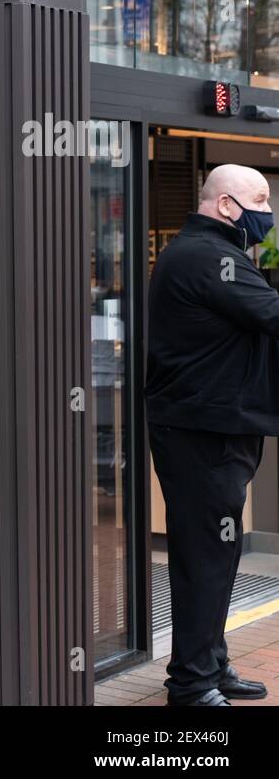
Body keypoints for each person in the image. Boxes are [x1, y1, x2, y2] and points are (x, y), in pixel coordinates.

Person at [146, 163, 278, 706]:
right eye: (261, 200)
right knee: (205, 558)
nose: (267, 213)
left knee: (217, 558)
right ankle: (192, 683)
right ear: (226, 205)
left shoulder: (212, 255)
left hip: (212, 429)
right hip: (203, 434)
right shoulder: (210, 258)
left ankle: (210, 665)